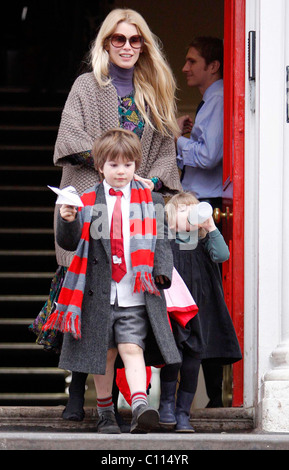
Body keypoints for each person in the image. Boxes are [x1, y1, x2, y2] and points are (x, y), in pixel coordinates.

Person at [30, 7, 182, 423]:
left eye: (135, 40)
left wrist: (146, 184)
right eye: (119, 39)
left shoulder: (156, 89)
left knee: (126, 306)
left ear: (144, 45)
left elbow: (166, 151)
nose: (128, 47)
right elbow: (69, 137)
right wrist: (113, 162)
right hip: (89, 196)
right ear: (105, 44)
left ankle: (127, 400)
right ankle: (76, 394)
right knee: (83, 292)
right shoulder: (86, 86)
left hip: (137, 205)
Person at [43, 128, 181, 434]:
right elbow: (68, 243)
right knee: (103, 355)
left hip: (136, 290)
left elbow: (161, 241)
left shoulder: (152, 199)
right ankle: (106, 412)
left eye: (128, 165)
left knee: (133, 349)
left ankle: (140, 406)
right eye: (114, 165)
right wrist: (67, 220)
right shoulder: (86, 199)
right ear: (100, 166)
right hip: (98, 293)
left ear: (136, 164)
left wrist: (162, 273)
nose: (122, 171)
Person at [158, 192, 242, 431]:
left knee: (192, 364)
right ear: (171, 218)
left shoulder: (205, 242)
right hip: (173, 310)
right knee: (172, 360)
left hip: (200, 311)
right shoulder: (165, 242)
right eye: (184, 210)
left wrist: (211, 226)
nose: (191, 214)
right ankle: (166, 406)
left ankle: (183, 412)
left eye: (193, 210)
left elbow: (223, 255)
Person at [176, 37, 223, 213]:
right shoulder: (212, 99)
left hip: (207, 204)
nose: (185, 68)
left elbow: (208, 157)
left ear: (213, 66)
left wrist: (177, 139)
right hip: (201, 200)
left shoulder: (218, 99)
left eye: (192, 61)